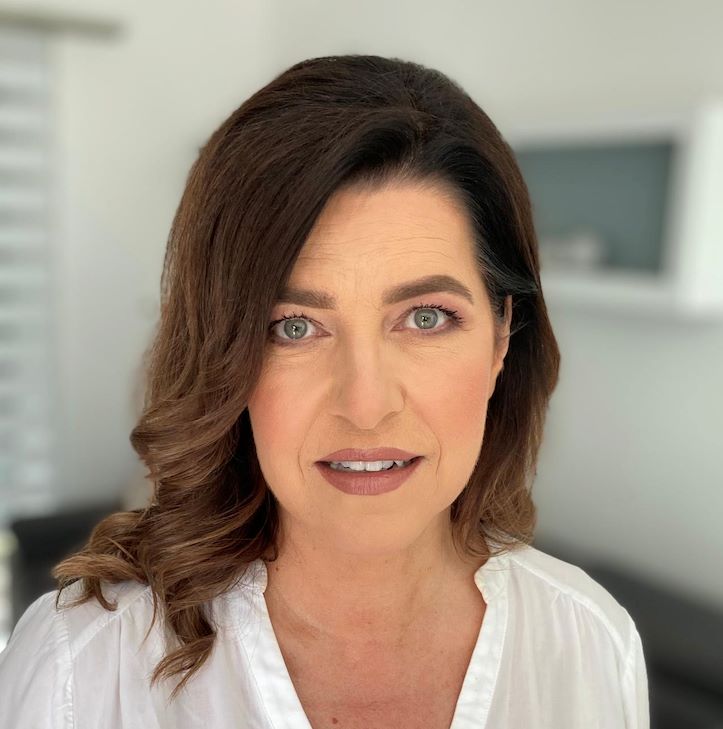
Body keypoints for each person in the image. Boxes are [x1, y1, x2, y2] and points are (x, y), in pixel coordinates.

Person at [0, 54, 649, 728]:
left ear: (501, 337)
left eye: (426, 317)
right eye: (294, 326)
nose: (366, 406)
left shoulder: (590, 644)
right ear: (225, 356)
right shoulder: (81, 668)